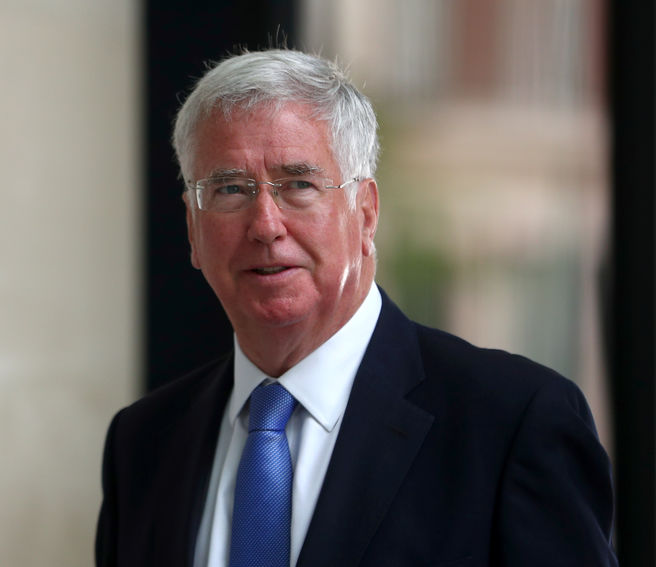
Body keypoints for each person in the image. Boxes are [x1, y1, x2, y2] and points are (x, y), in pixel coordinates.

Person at [96, 49, 618, 567]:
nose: (266, 225)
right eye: (231, 189)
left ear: (366, 214)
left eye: (299, 184)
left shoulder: (510, 424)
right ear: (192, 228)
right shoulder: (144, 444)